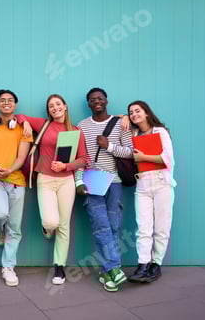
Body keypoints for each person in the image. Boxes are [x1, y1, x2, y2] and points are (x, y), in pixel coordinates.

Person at [16, 94, 88, 285]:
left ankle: (59, 266)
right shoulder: (43, 125)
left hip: (66, 181)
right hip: (45, 179)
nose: (55, 108)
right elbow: (20, 115)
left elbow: (83, 159)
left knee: (64, 226)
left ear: (65, 106)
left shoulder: (76, 131)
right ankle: (47, 228)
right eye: (51, 106)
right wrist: (25, 124)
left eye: (58, 104)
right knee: (51, 222)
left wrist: (66, 167)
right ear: (48, 110)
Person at [76, 87, 133, 292]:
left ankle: (106, 271)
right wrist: (78, 180)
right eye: (92, 100)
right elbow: (79, 157)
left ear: (106, 101)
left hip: (115, 181)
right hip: (92, 181)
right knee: (100, 225)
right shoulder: (81, 126)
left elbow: (130, 153)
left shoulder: (121, 124)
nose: (97, 102)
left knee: (114, 226)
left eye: (100, 98)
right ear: (88, 103)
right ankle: (115, 268)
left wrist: (108, 146)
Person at [0, 89, 32, 287]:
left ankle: (8, 267)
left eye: (10, 100)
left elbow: (22, 156)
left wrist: (9, 170)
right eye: (2, 100)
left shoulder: (23, 129)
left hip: (17, 180)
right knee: (0, 214)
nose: (6, 103)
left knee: (15, 228)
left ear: (15, 105)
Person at [127, 100, 176, 283]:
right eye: (131, 112)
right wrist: (123, 117)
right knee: (143, 228)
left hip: (162, 183)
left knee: (162, 227)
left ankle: (156, 264)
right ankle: (142, 264)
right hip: (143, 184)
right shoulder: (134, 133)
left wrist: (143, 156)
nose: (134, 115)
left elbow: (167, 158)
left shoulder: (160, 132)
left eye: (137, 111)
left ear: (147, 112)